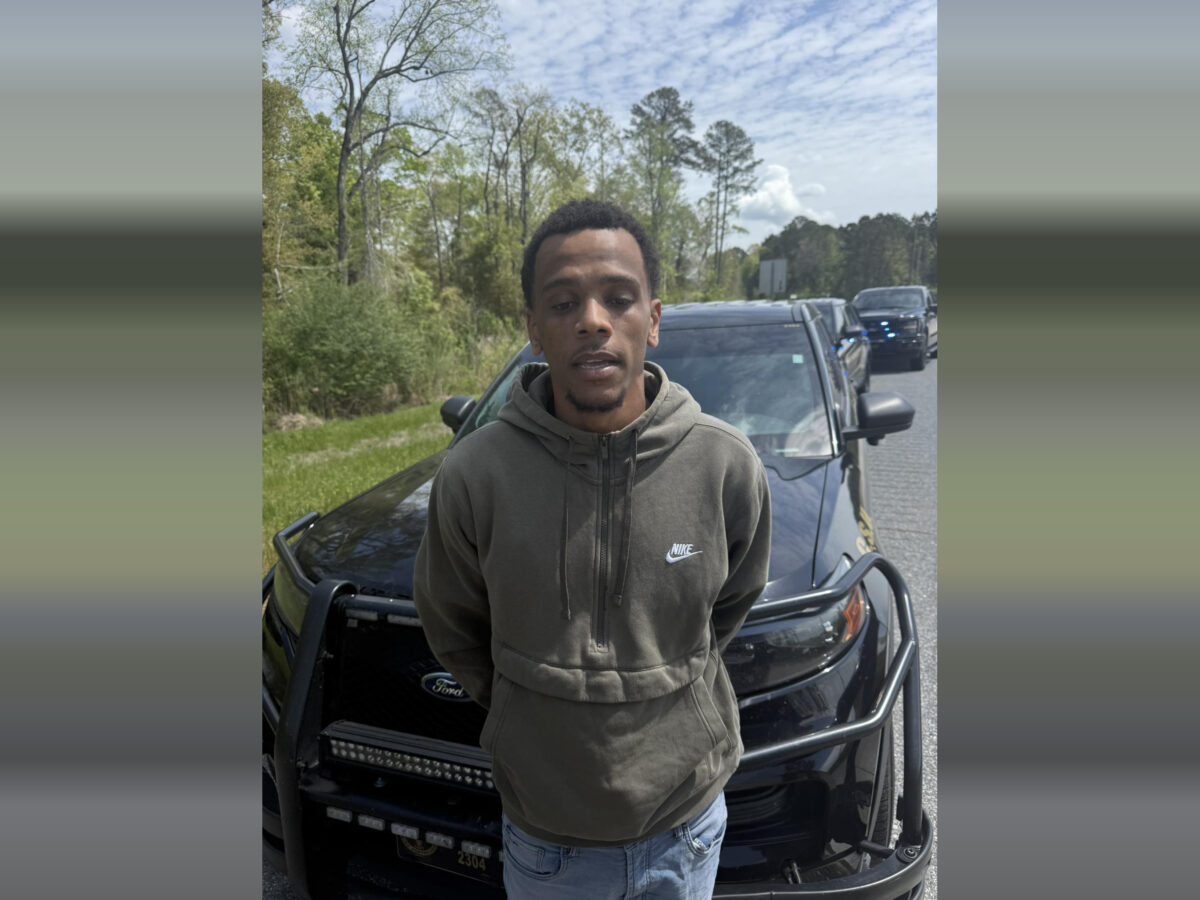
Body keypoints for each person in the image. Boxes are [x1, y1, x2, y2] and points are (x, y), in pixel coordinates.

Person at [413, 198, 771, 898]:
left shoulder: (725, 465)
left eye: (618, 297)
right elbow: (453, 627)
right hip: (548, 839)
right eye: (564, 301)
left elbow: (730, 604)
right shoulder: (474, 475)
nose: (593, 320)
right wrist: (530, 715)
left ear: (654, 319)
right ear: (535, 331)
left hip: (686, 824)